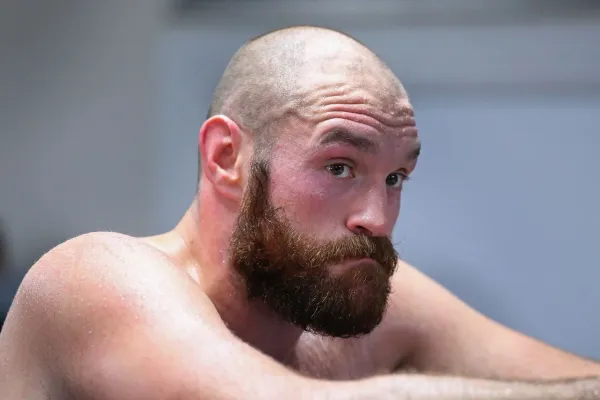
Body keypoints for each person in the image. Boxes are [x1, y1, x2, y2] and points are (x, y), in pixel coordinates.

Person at [1, 26, 599, 400]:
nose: (378, 219)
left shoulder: (376, 300)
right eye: (340, 167)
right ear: (226, 157)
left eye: (395, 178)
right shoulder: (94, 279)